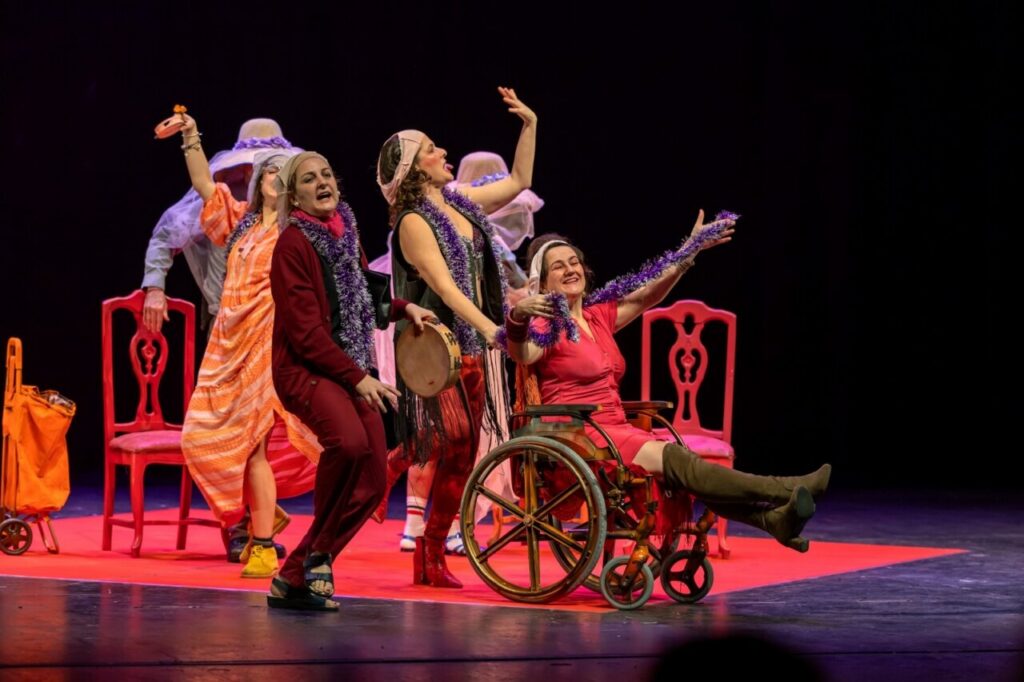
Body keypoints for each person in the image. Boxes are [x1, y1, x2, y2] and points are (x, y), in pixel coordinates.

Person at [506, 224, 832, 553]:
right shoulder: (545, 327)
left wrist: (690, 250)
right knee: (679, 462)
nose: (570, 269)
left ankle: (773, 521)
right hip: (579, 434)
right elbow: (523, 354)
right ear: (543, 283)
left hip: (614, 428)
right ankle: (785, 489)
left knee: (683, 469)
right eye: (558, 266)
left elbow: (649, 294)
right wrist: (518, 317)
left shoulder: (597, 317)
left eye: (574, 261)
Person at [375, 86, 537, 587]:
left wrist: (530, 125)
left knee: (463, 455)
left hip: (467, 344)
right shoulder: (413, 222)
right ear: (412, 170)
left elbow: (517, 181)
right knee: (453, 440)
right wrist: (493, 326)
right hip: (433, 349)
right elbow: (443, 286)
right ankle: (383, 469)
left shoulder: (458, 204)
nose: (443, 152)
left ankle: (430, 553)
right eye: (431, 148)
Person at [268, 151, 434, 611]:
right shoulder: (293, 245)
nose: (322, 182)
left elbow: (360, 289)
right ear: (294, 195)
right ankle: (316, 558)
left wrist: (404, 309)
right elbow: (305, 334)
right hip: (306, 369)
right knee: (349, 443)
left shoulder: (343, 230)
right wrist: (359, 377)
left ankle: (303, 568)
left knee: (376, 474)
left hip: (350, 365)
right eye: (309, 179)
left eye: (327, 174)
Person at [171, 113, 321, 579]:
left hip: (265, 340)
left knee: (254, 444)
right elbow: (203, 184)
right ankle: (262, 510)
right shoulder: (240, 223)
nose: (273, 175)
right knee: (196, 436)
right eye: (267, 171)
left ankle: (262, 545)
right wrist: (192, 136)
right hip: (226, 345)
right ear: (258, 183)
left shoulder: (296, 232)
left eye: (281, 171)